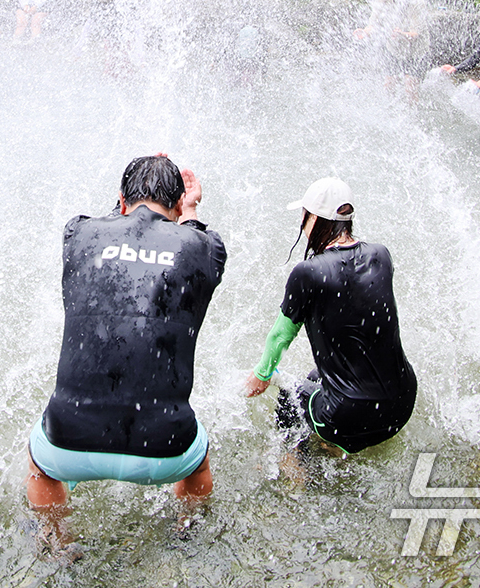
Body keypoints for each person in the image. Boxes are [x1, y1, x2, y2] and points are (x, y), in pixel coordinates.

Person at [27, 154, 225, 544]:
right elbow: (193, 238)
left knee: (39, 468)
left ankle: (57, 543)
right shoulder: (204, 247)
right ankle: (188, 531)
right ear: (175, 206)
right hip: (166, 449)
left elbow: (112, 225)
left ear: (121, 201)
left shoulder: (78, 234)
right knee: (198, 466)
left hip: (69, 442)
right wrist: (191, 209)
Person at [244, 178, 416, 459]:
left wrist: (261, 376)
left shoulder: (308, 273)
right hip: (400, 406)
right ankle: (334, 446)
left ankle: (289, 469)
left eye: (304, 215)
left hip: (348, 416)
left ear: (314, 219)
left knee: (289, 391)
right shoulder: (381, 255)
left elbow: (280, 336)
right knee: (315, 377)